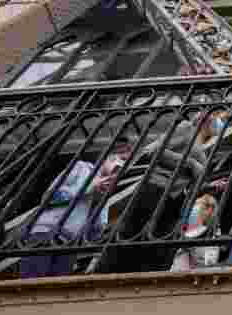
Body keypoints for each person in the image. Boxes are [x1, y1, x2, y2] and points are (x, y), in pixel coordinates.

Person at [97, 114, 209, 274]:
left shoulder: (204, 144)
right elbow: (153, 150)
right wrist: (190, 163)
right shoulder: (186, 128)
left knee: (158, 249)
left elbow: (193, 179)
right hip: (156, 188)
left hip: (175, 199)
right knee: (132, 238)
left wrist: (209, 185)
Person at [20, 139, 133, 278]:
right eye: (122, 160)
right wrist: (89, 188)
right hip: (45, 232)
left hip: (69, 243)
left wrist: (99, 203)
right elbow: (49, 197)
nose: (121, 167)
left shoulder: (107, 188)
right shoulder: (81, 168)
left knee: (54, 291)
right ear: (110, 157)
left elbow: (93, 234)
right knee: (32, 280)